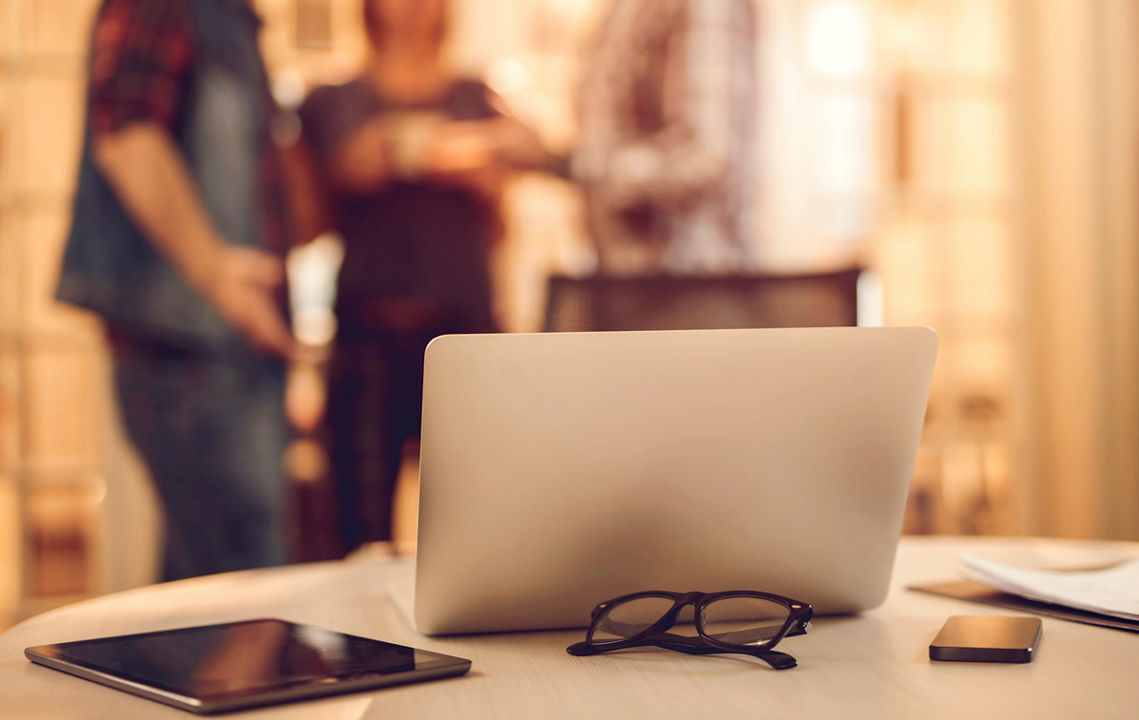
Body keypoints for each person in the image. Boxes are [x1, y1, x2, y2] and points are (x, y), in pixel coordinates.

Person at [56, 0, 296, 580]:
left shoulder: (234, 20)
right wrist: (216, 273)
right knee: (244, 592)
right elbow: (128, 134)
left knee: (196, 603)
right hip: (190, 347)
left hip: (218, 346)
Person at [298, 0, 543, 555]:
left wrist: (467, 159)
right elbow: (302, 218)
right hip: (367, 338)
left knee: (477, 532)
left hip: (465, 340)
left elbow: (528, 164)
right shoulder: (331, 103)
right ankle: (361, 645)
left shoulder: (478, 99)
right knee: (357, 541)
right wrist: (348, 169)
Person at [573, 0, 759, 275]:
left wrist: (571, 164)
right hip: (621, 280)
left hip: (689, 287)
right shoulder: (619, 11)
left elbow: (708, 156)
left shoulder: (705, 6)